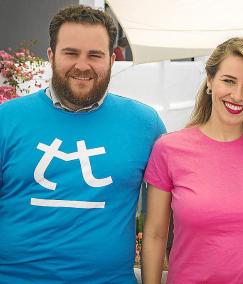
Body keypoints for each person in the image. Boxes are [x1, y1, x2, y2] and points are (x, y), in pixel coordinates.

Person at [0, 5, 165, 283]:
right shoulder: (7, 119)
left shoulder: (145, 125)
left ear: (112, 60)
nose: (82, 65)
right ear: (51, 56)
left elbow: (161, 221)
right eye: (71, 53)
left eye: (95, 55)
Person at [142, 37, 243, 283]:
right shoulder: (169, 149)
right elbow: (155, 235)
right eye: (229, 81)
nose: (238, 95)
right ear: (210, 81)